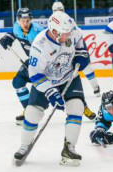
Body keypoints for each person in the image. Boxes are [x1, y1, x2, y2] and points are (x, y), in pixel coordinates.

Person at [13, 11, 89, 166]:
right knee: (33, 113)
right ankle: (24, 145)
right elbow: (35, 75)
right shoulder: (39, 45)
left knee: (76, 107)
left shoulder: (71, 29)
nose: (69, 36)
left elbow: (79, 38)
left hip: (69, 76)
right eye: (65, 34)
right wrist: (51, 92)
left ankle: (69, 147)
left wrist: (82, 52)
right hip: (46, 80)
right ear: (54, 32)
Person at [52, 1, 102, 121]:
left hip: (74, 51)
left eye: (61, 10)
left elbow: (77, 37)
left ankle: (95, 87)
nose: (59, 12)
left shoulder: (69, 21)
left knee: (86, 68)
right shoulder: (52, 23)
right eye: (56, 10)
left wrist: (79, 54)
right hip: (63, 57)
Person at [0, 8, 43, 125]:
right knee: (17, 82)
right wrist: (8, 37)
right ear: (18, 21)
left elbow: (48, 51)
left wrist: (37, 65)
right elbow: (14, 33)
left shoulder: (38, 32)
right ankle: (29, 112)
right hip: (31, 61)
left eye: (27, 20)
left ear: (31, 20)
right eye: (22, 20)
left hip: (43, 63)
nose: (25, 23)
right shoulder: (16, 27)